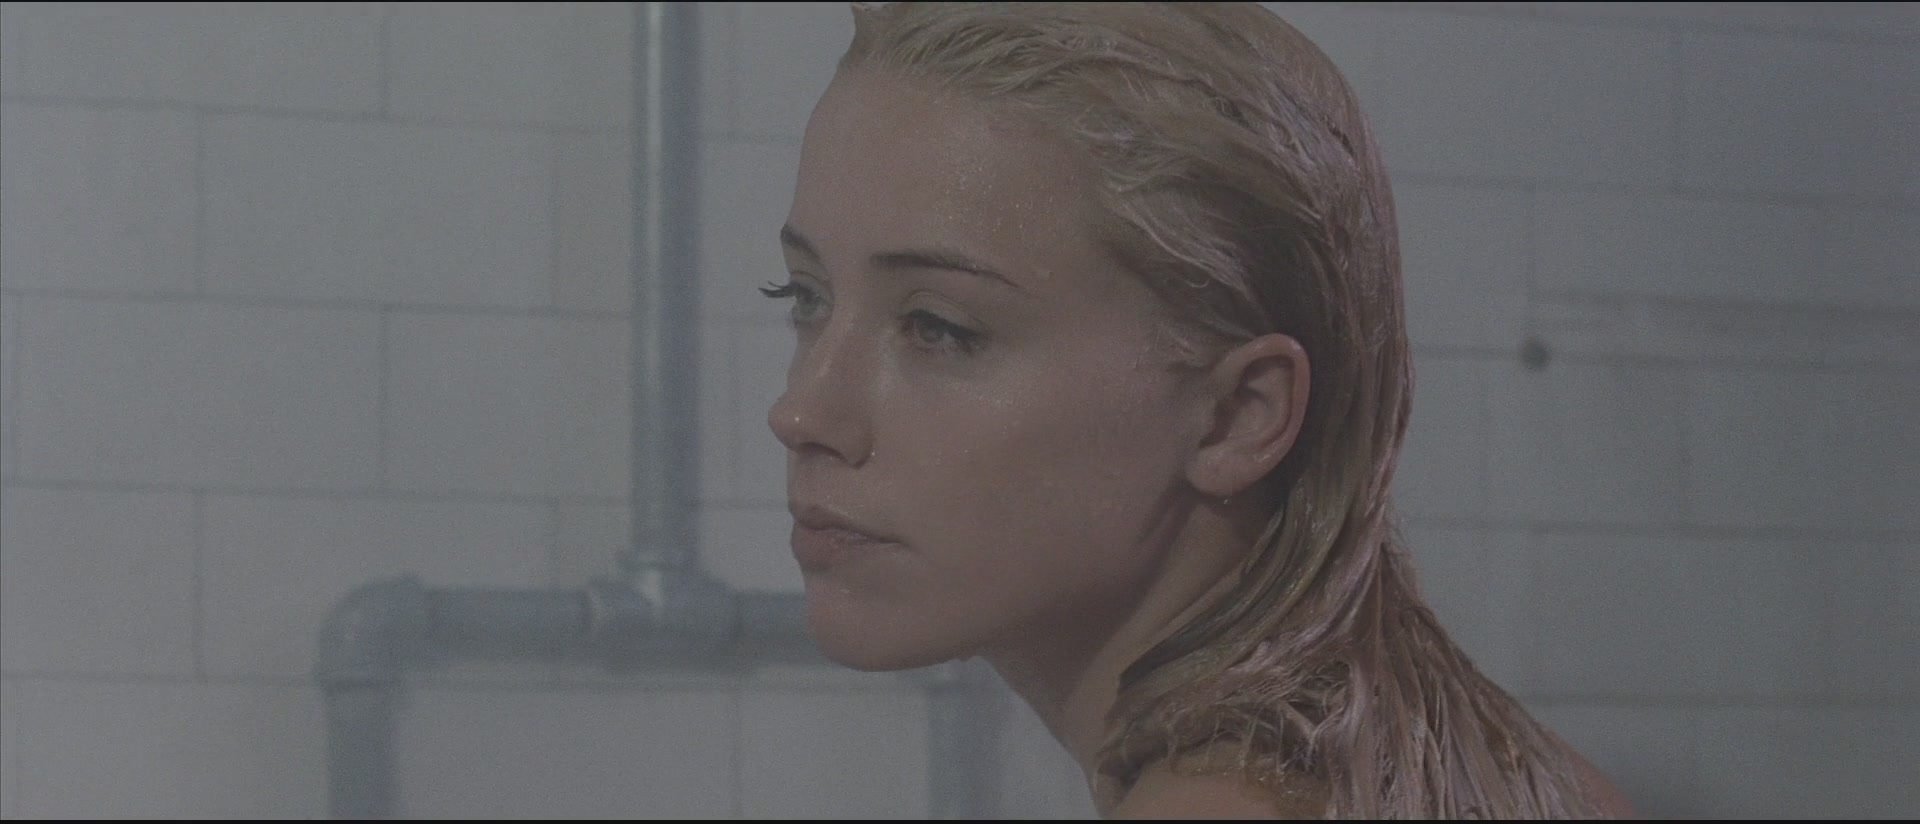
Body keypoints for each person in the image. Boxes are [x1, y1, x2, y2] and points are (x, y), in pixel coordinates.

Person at [763, 2, 1636, 818]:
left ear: (1237, 415)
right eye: (806, 296)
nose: (802, 413)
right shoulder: (1532, 779)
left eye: (939, 328)